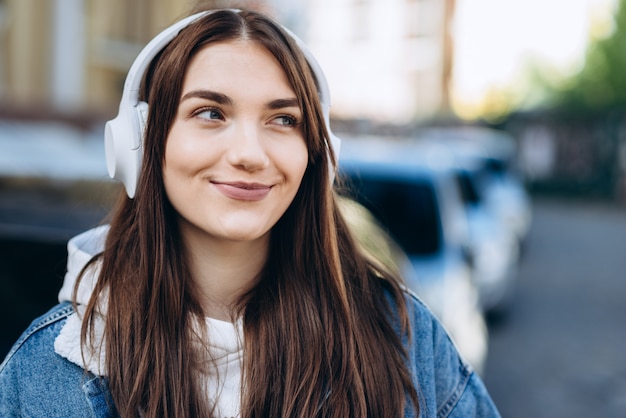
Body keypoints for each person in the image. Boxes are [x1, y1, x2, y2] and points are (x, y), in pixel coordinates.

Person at [0, 7, 501, 418]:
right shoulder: (47, 371)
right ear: (139, 144)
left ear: (317, 158)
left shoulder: (401, 335)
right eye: (211, 113)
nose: (250, 154)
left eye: (283, 119)